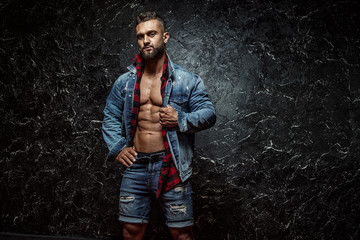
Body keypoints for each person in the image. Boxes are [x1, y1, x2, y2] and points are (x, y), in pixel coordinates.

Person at [102, 11, 216, 240]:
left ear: (165, 37)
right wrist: (117, 148)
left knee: (182, 233)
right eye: (140, 36)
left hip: (171, 163)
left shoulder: (186, 80)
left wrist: (181, 119)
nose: (145, 40)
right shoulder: (125, 82)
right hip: (135, 165)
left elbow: (209, 114)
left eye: (151, 34)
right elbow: (110, 116)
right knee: (131, 232)